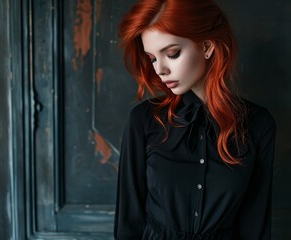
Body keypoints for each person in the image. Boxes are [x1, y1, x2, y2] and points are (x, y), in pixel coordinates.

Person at [114, 0, 276, 239]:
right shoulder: (144, 120)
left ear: (207, 46)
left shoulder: (258, 124)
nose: (160, 70)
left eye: (172, 54)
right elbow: (128, 220)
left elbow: (255, 224)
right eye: (152, 58)